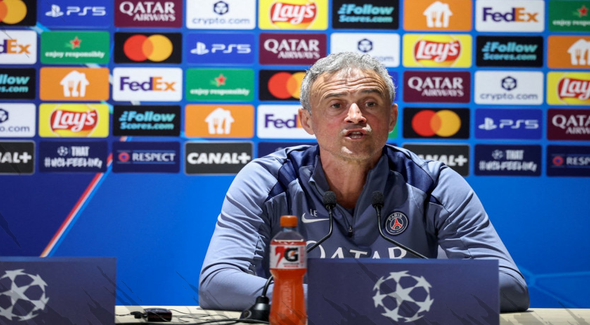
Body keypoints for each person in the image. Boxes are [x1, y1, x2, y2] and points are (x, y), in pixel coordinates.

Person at [199, 52, 530, 312]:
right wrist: (356, 299)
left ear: (391, 117)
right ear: (307, 121)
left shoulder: (435, 184)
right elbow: (217, 283)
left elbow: (510, 287)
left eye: (370, 104)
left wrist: (374, 299)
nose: (355, 116)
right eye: (336, 105)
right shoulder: (269, 180)